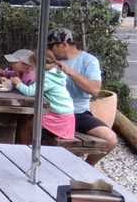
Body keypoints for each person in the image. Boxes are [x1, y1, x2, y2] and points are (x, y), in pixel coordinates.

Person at [47, 28, 117, 163]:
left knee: (110, 139)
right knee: (27, 123)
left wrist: (70, 72)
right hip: (52, 112)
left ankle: (88, 167)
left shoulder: (89, 61)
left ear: (63, 45)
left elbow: (95, 90)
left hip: (79, 113)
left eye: (51, 47)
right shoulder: (51, 59)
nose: (50, 51)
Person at [7, 51, 75, 140]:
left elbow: (30, 91)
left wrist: (18, 84)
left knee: (26, 123)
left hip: (59, 118)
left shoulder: (46, 78)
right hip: (65, 115)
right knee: (27, 119)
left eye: (33, 66)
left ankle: (25, 147)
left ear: (37, 65)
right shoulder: (54, 73)